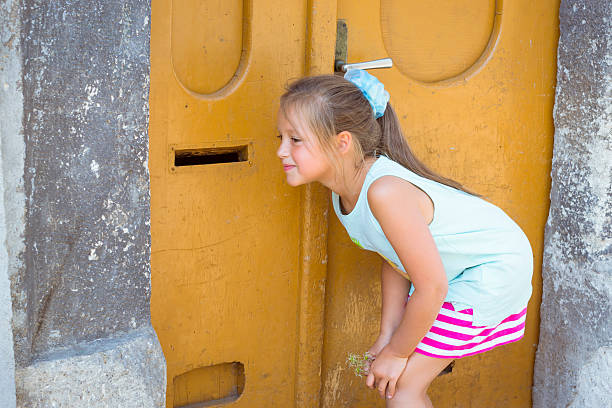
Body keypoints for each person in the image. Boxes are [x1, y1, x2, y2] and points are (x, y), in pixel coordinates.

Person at [275, 70, 533, 407]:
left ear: (342, 143)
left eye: (295, 140)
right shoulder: (342, 194)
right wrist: (388, 335)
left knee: (403, 383)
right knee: (399, 381)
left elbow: (433, 287)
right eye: (279, 137)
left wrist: (398, 352)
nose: (281, 150)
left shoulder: (384, 192)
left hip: (492, 272)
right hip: (451, 277)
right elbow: (395, 259)